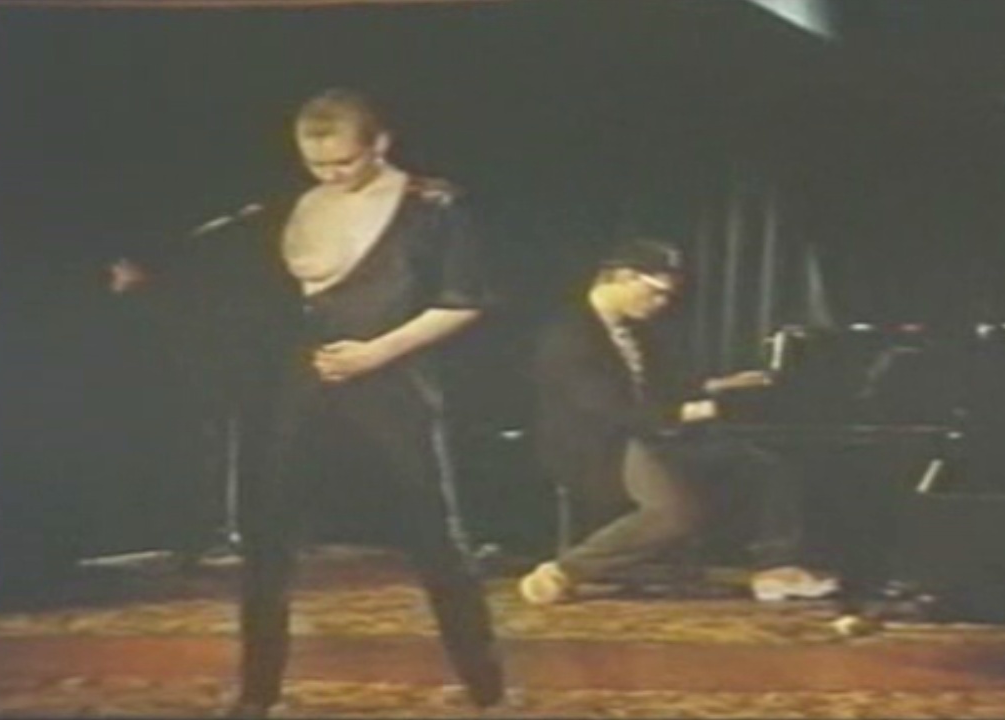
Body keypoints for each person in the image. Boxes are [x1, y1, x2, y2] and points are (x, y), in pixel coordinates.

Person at [115, 88, 504, 717]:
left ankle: (487, 688)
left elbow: (464, 301)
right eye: (316, 164)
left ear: (380, 144)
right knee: (266, 540)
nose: (331, 174)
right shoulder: (287, 208)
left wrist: (376, 353)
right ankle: (256, 694)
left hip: (392, 385)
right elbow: (225, 265)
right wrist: (148, 275)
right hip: (294, 387)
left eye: (344, 162)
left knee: (436, 537)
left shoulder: (433, 207)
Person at [519, 238, 837, 606]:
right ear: (623, 277)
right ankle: (565, 571)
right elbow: (612, 409)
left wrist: (719, 385)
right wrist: (698, 411)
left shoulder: (637, 331)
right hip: (600, 445)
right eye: (656, 292)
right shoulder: (568, 334)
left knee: (764, 468)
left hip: (653, 437)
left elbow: (661, 386)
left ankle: (775, 570)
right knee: (675, 513)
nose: (662, 303)